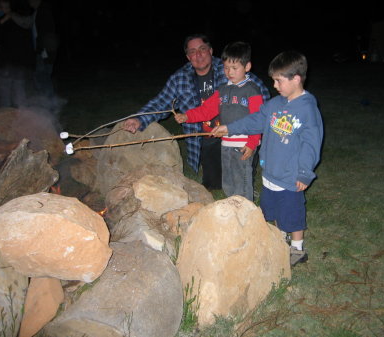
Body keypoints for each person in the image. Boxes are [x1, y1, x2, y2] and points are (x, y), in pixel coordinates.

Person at [212, 50, 323, 266]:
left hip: (291, 177)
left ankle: (297, 249)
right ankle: (278, 242)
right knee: (271, 210)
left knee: (292, 214)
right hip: (271, 172)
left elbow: (311, 144)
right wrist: (229, 128)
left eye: (278, 81)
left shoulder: (307, 109)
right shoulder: (275, 104)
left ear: (296, 79)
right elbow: (254, 120)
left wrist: (304, 172)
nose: (274, 86)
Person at [123, 34, 270, 190]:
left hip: (241, 135)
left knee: (241, 177)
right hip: (207, 139)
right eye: (192, 51)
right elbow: (161, 102)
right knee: (215, 184)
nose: (198, 55)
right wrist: (139, 119)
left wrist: (254, 138)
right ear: (188, 56)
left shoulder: (231, 68)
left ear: (211, 51)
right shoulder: (180, 78)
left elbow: (263, 98)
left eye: (202, 49)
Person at [174, 41, 263, 201]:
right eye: (226, 68)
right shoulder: (222, 90)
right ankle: (231, 204)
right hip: (226, 143)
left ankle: (244, 209)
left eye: (234, 68)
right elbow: (206, 110)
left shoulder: (252, 90)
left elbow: (257, 119)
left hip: (243, 144)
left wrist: (252, 142)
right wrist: (187, 116)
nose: (229, 72)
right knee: (228, 179)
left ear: (247, 67)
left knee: (241, 179)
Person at [0, 0, 35, 108]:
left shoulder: (1, 21)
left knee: (5, 93)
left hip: (5, 62)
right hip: (20, 62)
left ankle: (6, 120)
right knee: (19, 92)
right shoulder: (24, 20)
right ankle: (23, 117)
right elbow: (29, 42)